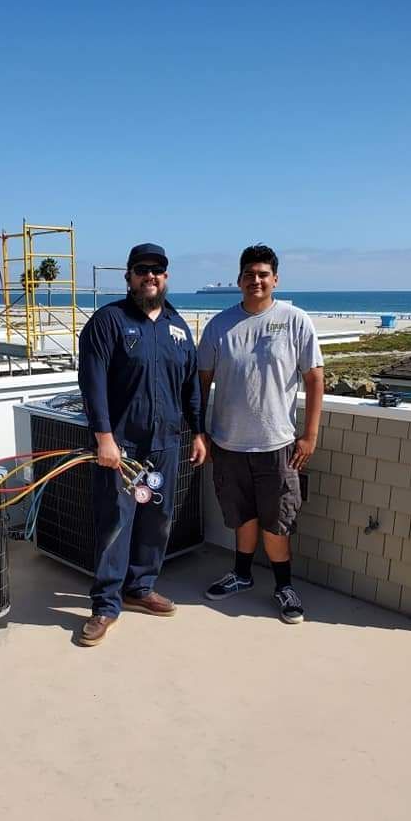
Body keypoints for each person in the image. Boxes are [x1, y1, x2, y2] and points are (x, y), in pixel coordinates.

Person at [77, 243, 207, 646]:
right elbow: (92, 384)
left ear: (166, 277)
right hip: (122, 447)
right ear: (129, 276)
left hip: (166, 446)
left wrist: (198, 432)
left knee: (158, 519)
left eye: (158, 270)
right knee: (116, 521)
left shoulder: (179, 327)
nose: (150, 276)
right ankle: (105, 605)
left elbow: (190, 388)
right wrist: (104, 438)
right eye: (142, 269)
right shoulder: (108, 321)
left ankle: (140, 587)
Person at [197, 243, 324, 623]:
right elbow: (202, 383)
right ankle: (241, 575)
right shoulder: (219, 325)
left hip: (278, 444)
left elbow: (315, 379)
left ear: (275, 279)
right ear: (239, 279)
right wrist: (199, 432)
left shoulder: (295, 320)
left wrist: (310, 435)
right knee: (242, 517)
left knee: (278, 519)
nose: (256, 280)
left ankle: (284, 586)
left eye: (263, 274)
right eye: (249, 274)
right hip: (228, 444)